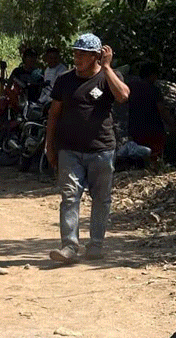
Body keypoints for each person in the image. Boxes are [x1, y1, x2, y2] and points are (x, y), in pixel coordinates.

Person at [45, 33, 129, 264]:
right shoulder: (64, 80)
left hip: (101, 150)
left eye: (83, 54)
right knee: (69, 197)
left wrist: (107, 67)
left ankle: (96, 245)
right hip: (69, 150)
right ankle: (69, 246)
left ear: (96, 56)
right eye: (75, 53)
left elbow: (123, 95)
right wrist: (50, 146)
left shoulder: (108, 77)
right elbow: (54, 114)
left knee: (101, 198)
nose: (77, 58)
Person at [127, 62, 175, 170]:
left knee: (139, 156)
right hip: (153, 130)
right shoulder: (154, 90)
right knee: (154, 156)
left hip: (135, 128)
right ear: (153, 75)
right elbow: (161, 110)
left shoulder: (132, 87)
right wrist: (171, 124)